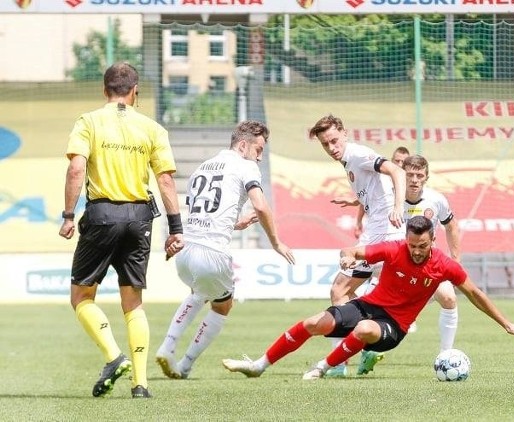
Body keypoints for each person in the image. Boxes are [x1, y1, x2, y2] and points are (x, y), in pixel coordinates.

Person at [221, 216, 514, 380]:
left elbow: (475, 293)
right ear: (407, 239)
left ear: (432, 240)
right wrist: (346, 257)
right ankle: (259, 365)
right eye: (412, 244)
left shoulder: (444, 265)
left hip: (393, 326)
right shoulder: (393, 250)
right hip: (367, 306)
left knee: (363, 332)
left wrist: (506, 323)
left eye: (422, 246)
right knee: (312, 323)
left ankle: (322, 368)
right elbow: (354, 250)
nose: (416, 251)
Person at [58, 62, 184, 399]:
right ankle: (141, 385)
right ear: (135, 91)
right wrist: (176, 229)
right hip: (140, 218)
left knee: (81, 296)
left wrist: (69, 215)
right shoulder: (152, 128)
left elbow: (75, 168)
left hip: (102, 214)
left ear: (104, 90)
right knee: (134, 303)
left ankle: (114, 357)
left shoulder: (89, 121)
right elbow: (166, 179)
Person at [155, 120, 296, 380]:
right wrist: (276, 242)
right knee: (223, 304)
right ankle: (185, 365)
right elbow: (261, 206)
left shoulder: (203, 166)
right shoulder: (246, 166)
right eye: (258, 149)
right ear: (243, 145)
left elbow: (208, 209)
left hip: (185, 252)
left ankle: (167, 346)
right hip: (212, 254)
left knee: (200, 293)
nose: (259, 156)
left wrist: (235, 223)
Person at [309, 114, 406, 377]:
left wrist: (397, 207)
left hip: (382, 232)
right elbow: (377, 189)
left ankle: (340, 362)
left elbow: (396, 171)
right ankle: (369, 341)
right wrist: (356, 202)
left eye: (334, 140)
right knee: (355, 294)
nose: (331, 147)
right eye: (326, 144)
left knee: (339, 290)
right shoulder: (349, 161)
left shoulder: (357, 154)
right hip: (379, 230)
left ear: (345, 134)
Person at [402, 155, 460, 348]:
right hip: (397, 266)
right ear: (402, 175)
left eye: (419, 175)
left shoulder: (436, 200)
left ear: (426, 177)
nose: (414, 179)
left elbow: (451, 226)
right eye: (410, 174)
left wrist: (455, 260)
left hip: (429, 264)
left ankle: (446, 355)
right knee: (381, 315)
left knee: (449, 298)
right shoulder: (389, 198)